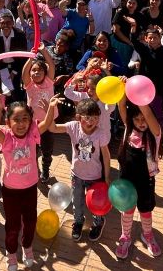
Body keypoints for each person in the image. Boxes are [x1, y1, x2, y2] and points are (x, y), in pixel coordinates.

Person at [0, 96, 52, 271]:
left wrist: (49, 109)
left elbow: (46, 124)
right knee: (12, 225)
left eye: (25, 119)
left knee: (30, 221)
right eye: (16, 119)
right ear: (8, 122)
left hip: (30, 188)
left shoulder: (32, 134)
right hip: (10, 191)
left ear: (30, 121)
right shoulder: (8, 138)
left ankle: (27, 248)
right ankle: (11, 254)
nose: (21, 123)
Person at [47, 97, 111, 243]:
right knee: (77, 200)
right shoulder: (73, 126)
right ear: (78, 117)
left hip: (95, 176)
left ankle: (98, 222)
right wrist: (51, 108)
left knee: (97, 203)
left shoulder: (100, 133)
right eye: (87, 117)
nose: (91, 121)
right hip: (76, 174)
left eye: (95, 118)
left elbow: (106, 157)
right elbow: (52, 128)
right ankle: (78, 221)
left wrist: (107, 178)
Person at [114, 100, 163, 259]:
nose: (142, 123)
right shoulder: (128, 128)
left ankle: (147, 235)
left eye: (144, 119)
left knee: (145, 209)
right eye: (137, 119)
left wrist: (140, 97)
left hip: (145, 180)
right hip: (127, 179)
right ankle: (125, 236)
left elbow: (147, 113)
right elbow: (121, 107)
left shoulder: (155, 134)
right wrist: (122, 93)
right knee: (127, 210)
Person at [21, 46, 56, 182]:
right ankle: (35, 169)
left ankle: (45, 170)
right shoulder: (29, 85)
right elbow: (24, 72)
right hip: (32, 124)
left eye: (39, 70)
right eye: (33, 70)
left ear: (45, 72)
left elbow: (51, 65)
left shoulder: (49, 81)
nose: (36, 73)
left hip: (48, 123)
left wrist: (44, 51)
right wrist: (31, 57)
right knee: (32, 150)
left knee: (47, 149)